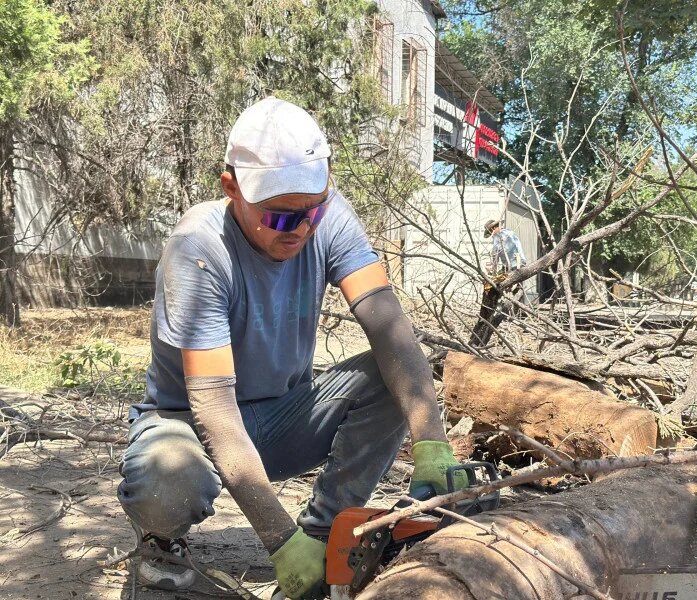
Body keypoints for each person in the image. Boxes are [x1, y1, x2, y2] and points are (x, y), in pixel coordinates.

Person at [116, 97, 465, 599]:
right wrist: (278, 540)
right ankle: (161, 547)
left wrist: (431, 441)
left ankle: (325, 536)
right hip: (188, 423)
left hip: (283, 417)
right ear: (232, 187)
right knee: (167, 484)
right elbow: (213, 407)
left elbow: (390, 328)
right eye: (280, 218)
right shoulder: (198, 249)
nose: (300, 228)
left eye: (313, 210)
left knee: (391, 380)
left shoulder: (330, 217)